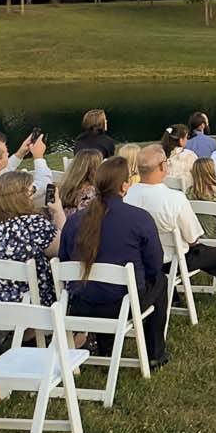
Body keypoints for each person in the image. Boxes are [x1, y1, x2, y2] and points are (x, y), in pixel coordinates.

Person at [60, 156, 168, 366]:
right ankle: (155, 353)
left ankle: (106, 346)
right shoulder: (139, 218)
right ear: (125, 185)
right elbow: (155, 265)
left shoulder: (74, 221)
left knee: (106, 286)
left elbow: (64, 260)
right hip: (122, 305)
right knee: (160, 281)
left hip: (81, 303)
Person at [123, 146, 216, 306]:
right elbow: (193, 238)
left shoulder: (127, 195)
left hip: (139, 259)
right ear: (163, 167)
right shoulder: (174, 198)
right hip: (172, 260)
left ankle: (174, 298)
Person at [0, 169, 61, 307]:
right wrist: (58, 210)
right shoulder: (31, 224)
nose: (33, 196)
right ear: (20, 197)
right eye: (32, 192)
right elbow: (63, 247)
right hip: (26, 304)